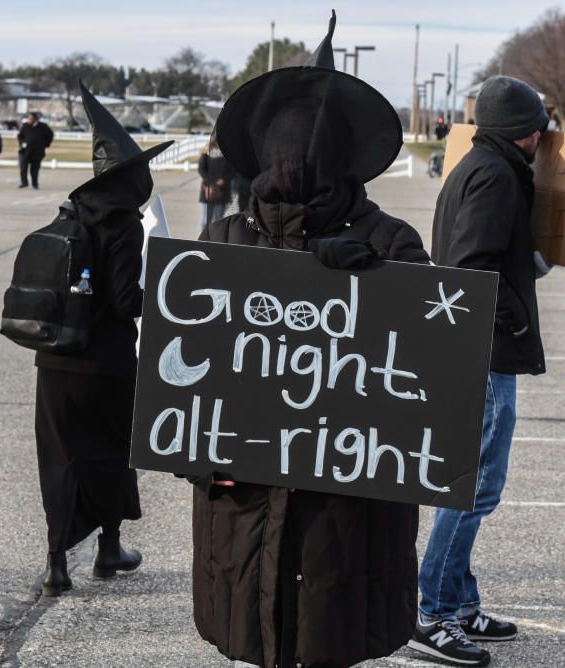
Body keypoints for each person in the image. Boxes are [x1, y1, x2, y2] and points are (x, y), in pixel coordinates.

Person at [192, 11, 430, 667]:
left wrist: (377, 285)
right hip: (242, 509)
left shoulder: (391, 245)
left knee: (329, 639)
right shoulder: (221, 246)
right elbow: (174, 394)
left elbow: (430, 381)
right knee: (259, 638)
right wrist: (205, 460)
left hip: (346, 518)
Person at [408, 75, 550, 667]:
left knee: (468, 483)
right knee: (473, 487)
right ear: (528, 132)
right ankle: (431, 612)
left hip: (476, 346)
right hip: (487, 351)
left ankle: (460, 603)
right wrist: (515, 322)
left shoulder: (477, 164)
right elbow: (472, 264)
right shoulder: (495, 175)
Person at [33, 83, 173, 597]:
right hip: (105, 364)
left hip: (55, 362)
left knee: (61, 458)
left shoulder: (70, 215)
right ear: (130, 177)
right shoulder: (124, 223)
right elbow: (121, 300)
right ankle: (109, 547)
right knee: (112, 452)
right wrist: (165, 297)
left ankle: (55, 565)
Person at [197, 132, 235, 229]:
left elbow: (233, 170)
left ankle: (216, 241)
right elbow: (201, 169)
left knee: (219, 219)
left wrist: (225, 179)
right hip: (209, 189)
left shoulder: (229, 152)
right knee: (206, 219)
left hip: (223, 189)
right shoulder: (206, 151)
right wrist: (210, 182)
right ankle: (203, 240)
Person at [18, 112, 54, 189]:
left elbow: (50, 135)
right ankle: (24, 183)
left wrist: (46, 144)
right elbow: (20, 136)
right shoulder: (25, 126)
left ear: (35, 119)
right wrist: (22, 144)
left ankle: (35, 183)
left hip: (37, 152)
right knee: (23, 167)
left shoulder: (43, 127)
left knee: (34, 169)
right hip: (25, 151)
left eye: (31, 118)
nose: (29, 120)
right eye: (29, 118)